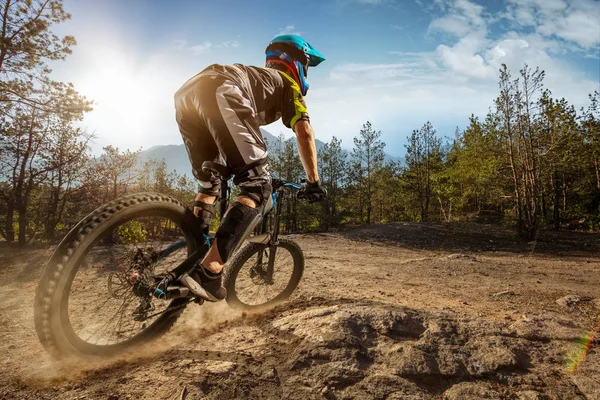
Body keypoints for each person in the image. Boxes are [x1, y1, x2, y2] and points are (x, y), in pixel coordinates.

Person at [172, 35, 328, 301]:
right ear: (298, 63)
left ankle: (194, 250)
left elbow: (227, 131)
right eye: (307, 67)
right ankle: (209, 272)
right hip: (222, 89)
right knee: (257, 187)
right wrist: (313, 182)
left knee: (211, 182)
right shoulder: (288, 83)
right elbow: (305, 133)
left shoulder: (260, 79)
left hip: (188, 94)